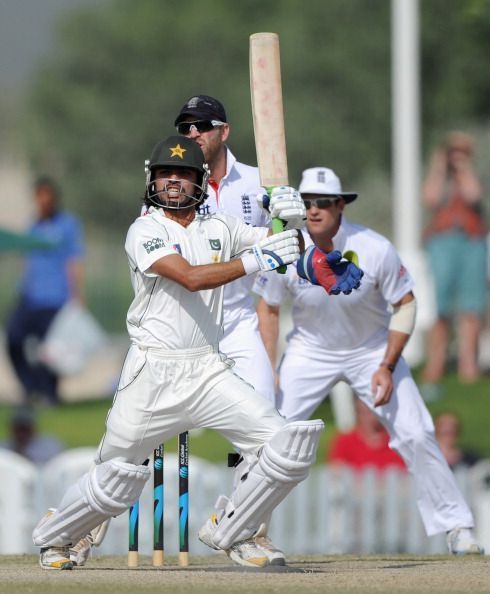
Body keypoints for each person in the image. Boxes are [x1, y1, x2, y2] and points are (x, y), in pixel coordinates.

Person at [32, 136, 361, 570]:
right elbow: (188, 276)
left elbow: (281, 247)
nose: (173, 181)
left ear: (200, 181)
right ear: (151, 178)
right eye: (165, 173)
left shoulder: (220, 227)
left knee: (288, 447)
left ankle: (234, 531)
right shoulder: (145, 230)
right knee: (115, 477)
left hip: (207, 370)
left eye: (184, 174)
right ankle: (59, 537)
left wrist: (300, 231)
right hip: (152, 373)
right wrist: (257, 259)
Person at [254, 166, 483, 556]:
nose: (313, 211)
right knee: (270, 436)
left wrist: (388, 365)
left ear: (341, 204)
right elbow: (269, 308)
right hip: (310, 350)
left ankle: (457, 528)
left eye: (323, 202)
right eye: (307, 203)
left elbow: (406, 305)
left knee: (414, 431)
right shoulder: (286, 249)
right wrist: (269, 369)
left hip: (372, 349)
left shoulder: (375, 247)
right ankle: (249, 530)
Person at [171, 94, 282, 563]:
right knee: (129, 441)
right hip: (182, 327)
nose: (192, 133)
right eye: (185, 127)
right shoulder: (173, 183)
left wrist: (287, 215)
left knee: (271, 435)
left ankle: (246, 532)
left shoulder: (259, 183)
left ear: (224, 131)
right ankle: (79, 530)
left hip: (237, 322)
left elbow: (283, 252)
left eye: (201, 125)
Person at [6, 176, 85, 405]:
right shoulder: (33, 225)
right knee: (13, 339)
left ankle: (50, 395)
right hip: (30, 298)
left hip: (55, 299)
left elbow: (74, 261)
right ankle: (30, 387)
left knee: (50, 351)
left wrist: (77, 297)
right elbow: (28, 262)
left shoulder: (68, 224)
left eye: (46, 196)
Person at [421, 132, 487, 395]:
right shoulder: (439, 176)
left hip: (472, 241)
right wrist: (439, 165)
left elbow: (473, 196)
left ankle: (467, 364)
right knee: (442, 306)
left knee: (472, 305)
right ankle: (436, 363)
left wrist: (464, 167)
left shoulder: (474, 174)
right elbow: (430, 199)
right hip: (442, 241)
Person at [328, 398, 406, 472]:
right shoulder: (345, 442)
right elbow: (336, 474)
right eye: (366, 412)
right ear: (358, 411)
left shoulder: (397, 440)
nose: (371, 416)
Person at [0, 405, 64, 465]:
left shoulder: (50, 446)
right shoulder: (3, 449)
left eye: (25, 429)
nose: (21, 434)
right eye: (18, 429)